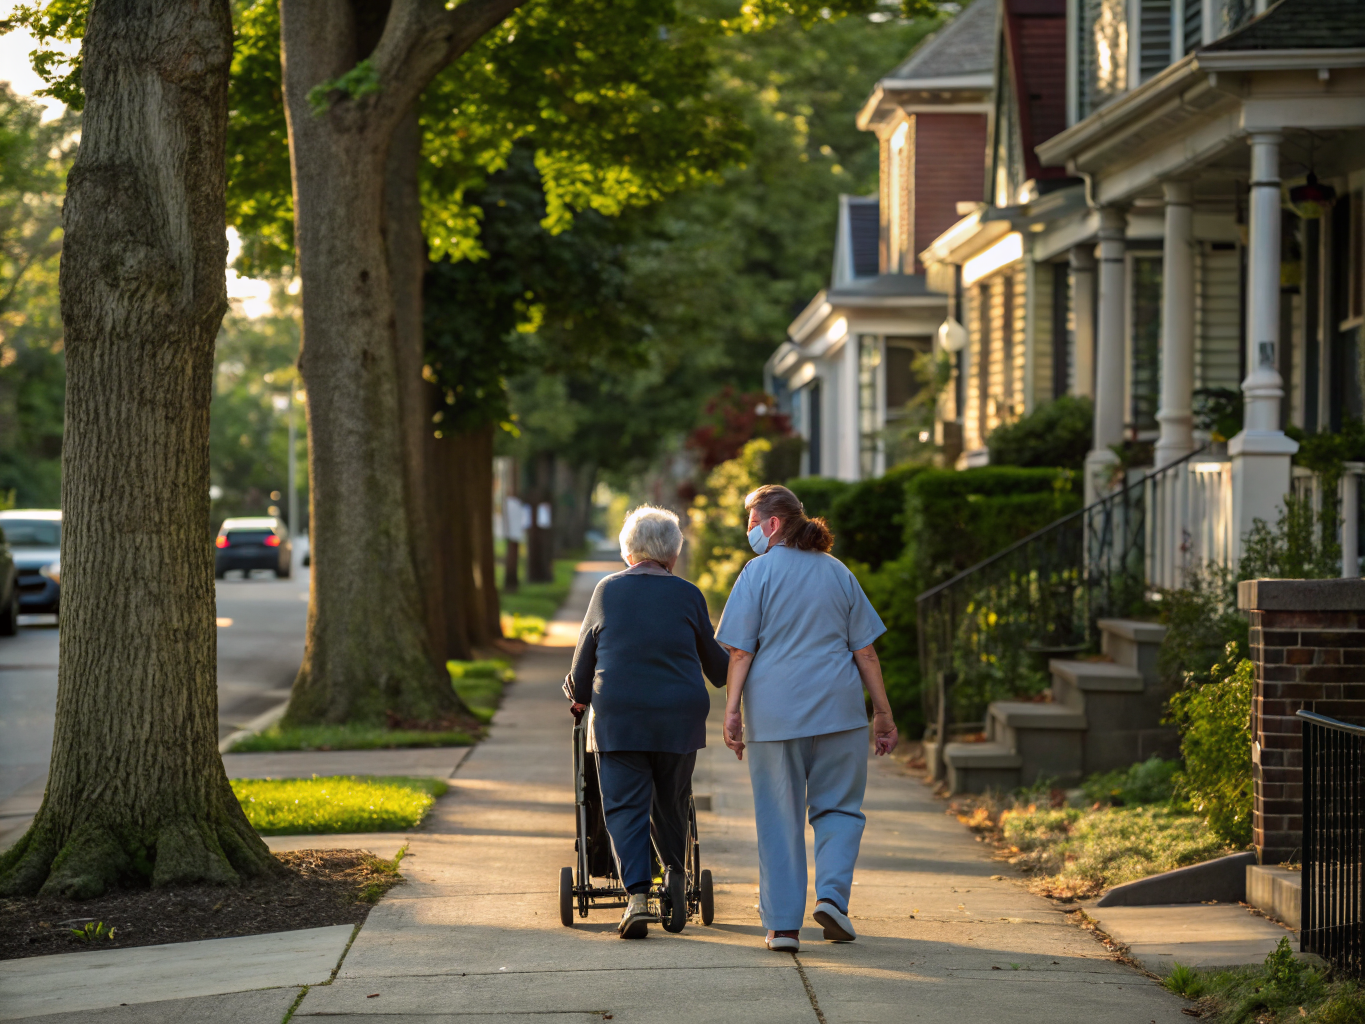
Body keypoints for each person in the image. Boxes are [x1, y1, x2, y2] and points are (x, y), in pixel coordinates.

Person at [716, 484, 898, 952]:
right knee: (839, 808)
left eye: (752, 521)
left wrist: (732, 710)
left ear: (772, 524)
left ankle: (783, 928)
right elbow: (866, 651)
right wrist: (882, 713)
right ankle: (833, 899)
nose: (749, 530)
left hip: (775, 716)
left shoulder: (756, 574)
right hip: (839, 712)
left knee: (779, 817)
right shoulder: (838, 572)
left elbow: (740, 651)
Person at [565, 505, 729, 938]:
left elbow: (583, 666)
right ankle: (675, 870)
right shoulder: (689, 594)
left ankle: (637, 896)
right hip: (680, 717)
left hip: (620, 717)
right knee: (672, 799)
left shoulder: (607, 591)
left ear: (628, 551)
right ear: (672, 553)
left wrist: (579, 697)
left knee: (623, 806)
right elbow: (718, 668)